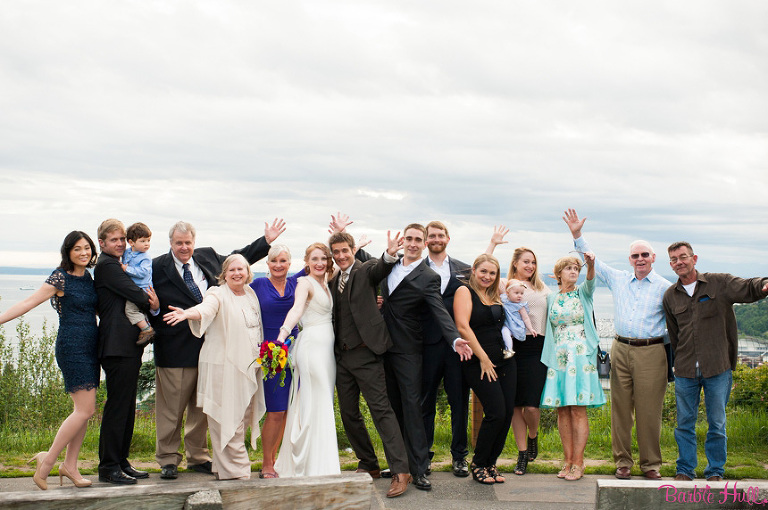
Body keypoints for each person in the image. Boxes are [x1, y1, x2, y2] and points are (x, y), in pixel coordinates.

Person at [149, 219, 284, 480]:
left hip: (215, 350)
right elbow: (143, 290)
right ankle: (168, 459)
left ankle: (197, 456)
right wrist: (155, 309)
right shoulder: (157, 266)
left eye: (188, 242)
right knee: (171, 409)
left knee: (204, 408)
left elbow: (239, 259)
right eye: (179, 243)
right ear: (170, 243)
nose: (184, 247)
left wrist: (266, 241)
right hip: (176, 347)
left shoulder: (207, 257)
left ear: (194, 242)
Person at [563, 208, 672, 480]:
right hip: (620, 348)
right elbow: (593, 262)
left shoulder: (664, 287)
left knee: (649, 411)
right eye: (635, 256)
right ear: (629, 259)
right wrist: (577, 235)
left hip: (652, 351)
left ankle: (650, 464)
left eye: (644, 255)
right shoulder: (619, 279)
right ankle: (623, 462)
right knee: (620, 409)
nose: (640, 259)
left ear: (653, 257)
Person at [363, 223, 472, 491]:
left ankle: (420, 468)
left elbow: (439, 311)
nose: (412, 243)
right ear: (403, 241)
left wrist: (454, 339)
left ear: (424, 244)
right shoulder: (389, 264)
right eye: (408, 238)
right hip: (383, 348)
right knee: (392, 409)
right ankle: (399, 465)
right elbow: (364, 263)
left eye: (417, 240)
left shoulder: (428, 276)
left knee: (413, 408)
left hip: (409, 349)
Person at [0, 231, 99, 490]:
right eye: (77, 249)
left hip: (91, 348)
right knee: (85, 410)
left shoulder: (88, 278)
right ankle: (47, 463)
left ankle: (71, 466)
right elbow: (29, 302)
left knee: (83, 412)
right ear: (68, 252)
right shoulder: (60, 278)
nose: (83, 253)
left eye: (86, 248)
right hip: (72, 347)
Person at [663, 242, 768, 482]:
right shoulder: (670, 296)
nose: (679, 262)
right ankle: (684, 469)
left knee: (717, 423)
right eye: (674, 259)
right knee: (684, 423)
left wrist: (764, 284)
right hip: (686, 370)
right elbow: (675, 334)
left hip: (718, 367)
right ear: (670, 264)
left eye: (683, 257)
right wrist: (678, 361)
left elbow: (747, 287)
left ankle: (715, 471)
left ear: (694, 259)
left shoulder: (719, 283)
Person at [163, 254, 265, 480]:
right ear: (224, 274)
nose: (237, 273)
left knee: (241, 418)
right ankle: (237, 472)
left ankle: (223, 467)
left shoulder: (250, 294)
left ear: (248, 272)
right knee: (227, 418)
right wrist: (187, 313)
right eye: (232, 270)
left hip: (247, 368)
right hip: (224, 369)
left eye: (241, 269)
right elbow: (205, 309)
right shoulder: (217, 293)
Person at [328, 228, 411, 498]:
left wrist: (390, 253)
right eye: (336, 252)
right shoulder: (333, 279)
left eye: (345, 250)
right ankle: (368, 463)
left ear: (353, 250)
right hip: (342, 357)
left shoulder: (364, 270)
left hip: (366, 354)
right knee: (348, 413)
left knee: (381, 412)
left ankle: (401, 471)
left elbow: (381, 268)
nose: (341, 256)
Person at [94, 219, 158, 485]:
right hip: (116, 345)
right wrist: (150, 301)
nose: (120, 243)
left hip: (127, 345)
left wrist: (150, 302)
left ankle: (121, 461)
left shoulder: (118, 262)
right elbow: (139, 295)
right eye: (114, 240)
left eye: (122, 239)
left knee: (127, 406)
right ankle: (108, 466)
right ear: (102, 243)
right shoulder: (108, 266)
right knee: (118, 407)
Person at [486, 227, 550, 476]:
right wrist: (493, 244)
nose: (530, 266)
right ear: (515, 263)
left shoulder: (544, 289)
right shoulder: (505, 285)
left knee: (531, 406)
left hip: (536, 348)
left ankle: (533, 436)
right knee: (513, 406)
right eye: (526, 261)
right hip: (511, 349)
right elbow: (483, 269)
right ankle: (522, 454)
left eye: (533, 262)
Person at [274, 243, 340, 477]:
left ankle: (321, 460)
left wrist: (352, 243)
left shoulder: (326, 280)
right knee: (313, 402)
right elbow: (296, 309)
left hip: (326, 351)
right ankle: (310, 464)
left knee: (323, 401)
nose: (320, 263)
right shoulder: (305, 283)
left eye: (324, 258)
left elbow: (345, 263)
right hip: (312, 348)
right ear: (307, 262)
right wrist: (282, 336)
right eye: (315, 259)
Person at [540, 252, 606, 481]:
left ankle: (579, 462)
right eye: (569, 268)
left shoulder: (583, 293)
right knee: (562, 409)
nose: (573, 271)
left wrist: (591, 264)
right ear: (558, 274)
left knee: (578, 409)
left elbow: (591, 280)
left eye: (576, 268)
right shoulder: (551, 298)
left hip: (580, 357)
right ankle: (567, 461)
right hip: (558, 357)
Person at [453, 254, 515, 485]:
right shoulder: (465, 292)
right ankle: (478, 463)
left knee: (507, 414)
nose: (487, 276)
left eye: (492, 273)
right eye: (483, 271)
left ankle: (491, 463)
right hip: (478, 361)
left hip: (505, 360)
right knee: (496, 412)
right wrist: (483, 358)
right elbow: (462, 327)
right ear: (474, 271)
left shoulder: (494, 295)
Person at [421, 221, 471, 477]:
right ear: (426, 240)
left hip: (457, 346)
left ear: (448, 238)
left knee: (459, 402)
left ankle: (459, 456)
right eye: (432, 236)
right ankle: (423, 456)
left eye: (440, 235)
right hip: (427, 345)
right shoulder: (416, 268)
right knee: (425, 402)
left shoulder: (465, 270)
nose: (436, 239)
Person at [248, 244, 302, 479]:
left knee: (289, 410)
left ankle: (278, 458)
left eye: (283, 261)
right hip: (270, 354)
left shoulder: (297, 283)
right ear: (267, 263)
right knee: (276, 410)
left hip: (296, 352)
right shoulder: (258, 285)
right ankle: (266, 463)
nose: (278, 265)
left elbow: (322, 262)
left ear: (290, 263)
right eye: (273, 261)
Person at [122, 222, 155, 346]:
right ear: (131, 242)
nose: (147, 244)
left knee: (130, 310)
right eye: (143, 241)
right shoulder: (127, 252)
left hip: (143, 288)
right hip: (134, 288)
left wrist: (127, 269)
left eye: (148, 240)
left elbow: (143, 272)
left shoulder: (145, 257)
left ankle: (147, 330)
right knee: (139, 310)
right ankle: (145, 325)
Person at [500, 279, 538, 358]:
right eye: (516, 293)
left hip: (515, 325)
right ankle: (506, 348)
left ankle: (509, 350)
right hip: (506, 324)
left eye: (521, 293)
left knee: (505, 332)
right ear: (507, 293)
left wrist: (530, 329)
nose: (519, 296)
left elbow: (526, 318)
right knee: (504, 332)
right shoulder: (503, 299)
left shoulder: (520, 306)